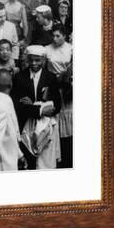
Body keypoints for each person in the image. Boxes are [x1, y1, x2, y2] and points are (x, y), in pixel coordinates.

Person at [12, 45, 61, 170]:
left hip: (46, 129)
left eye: (37, 60)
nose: (34, 63)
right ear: (27, 60)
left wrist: (32, 105)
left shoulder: (50, 77)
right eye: (31, 60)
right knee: (29, 162)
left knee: (46, 162)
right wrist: (39, 109)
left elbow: (57, 105)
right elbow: (17, 105)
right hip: (26, 127)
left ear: (44, 60)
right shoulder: (19, 78)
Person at [0, 70, 27, 172]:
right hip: (2, 166)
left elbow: (11, 132)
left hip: (10, 160)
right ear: (11, 85)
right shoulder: (0, 106)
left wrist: (19, 155)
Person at [45, 24, 73, 168]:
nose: (55, 39)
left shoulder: (70, 48)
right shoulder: (47, 49)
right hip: (54, 87)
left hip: (67, 87)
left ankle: (70, 155)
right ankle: (58, 157)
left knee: (69, 119)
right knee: (56, 120)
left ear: (64, 35)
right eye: (53, 36)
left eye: (58, 36)